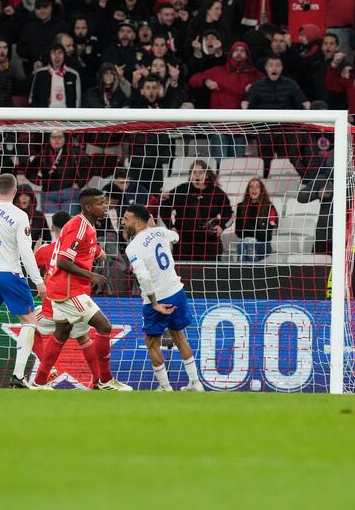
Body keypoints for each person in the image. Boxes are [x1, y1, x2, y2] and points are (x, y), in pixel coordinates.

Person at [32, 188, 132, 391]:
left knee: (61, 334)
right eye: (100, 203)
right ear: (88, 207)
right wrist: (91, 275)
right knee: (104, 327)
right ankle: (104, 380)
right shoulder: (79, 227)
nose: (105, 206)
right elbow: (62, 261)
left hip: (60, 291)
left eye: (105, 203)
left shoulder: (86, 226)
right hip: (70, 291)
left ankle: (40, 381)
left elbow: (87, 253)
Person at [0, 173, 46, 389]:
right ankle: (18, 375)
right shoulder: (19, 215)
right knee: (30, 321)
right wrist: (38, 281)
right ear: (15, 190)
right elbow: (26, 252)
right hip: (9, 273)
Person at [121, 204, 204, 392]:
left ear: (137, 222)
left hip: (157, 298)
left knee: (151, 342)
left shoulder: (133, 247)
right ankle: (196, 383)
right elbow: (176, 236)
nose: (123, 223)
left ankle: (165, 387)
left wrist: (154, 302)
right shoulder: (160, 232)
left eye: (126, 219)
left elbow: (142, 277)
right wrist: (156, 229)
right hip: (176, 291)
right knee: (179, 336)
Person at [32, 210, 99, 388]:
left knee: (28, 326)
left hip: (51, 310)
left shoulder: (45, 251)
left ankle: (48, 370)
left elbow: (30, 267)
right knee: (84, 338)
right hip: (77, 304)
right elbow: (99, 253)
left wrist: (34, 252)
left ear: (53, 227)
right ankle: (98, 381)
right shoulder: (82, 241)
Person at [159, 159, 233, 261]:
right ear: (190, 175)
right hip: (184, 243)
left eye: (200, 172)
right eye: (194, 172)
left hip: (209, 243)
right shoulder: (182, 190)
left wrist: (222, 226)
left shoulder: (217, 193)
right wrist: (171, 227)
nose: (197, 175)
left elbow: (229, 214)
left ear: (206, 175)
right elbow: (164, 208)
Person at [235, 178, 279, 261]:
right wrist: (254, 233)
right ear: (248, 190)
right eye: (251, 187)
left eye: (257, 187)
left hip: (262, 244)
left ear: (261, 190)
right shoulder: (241, 207)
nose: (254, 189)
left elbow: (267, 234)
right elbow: (238, 232)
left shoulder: (269, 207)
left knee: (251, 248)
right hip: (245, 242)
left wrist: (250, 233)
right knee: (247, 246)